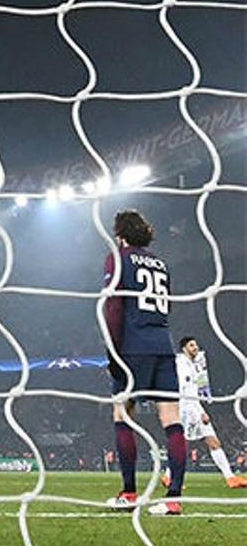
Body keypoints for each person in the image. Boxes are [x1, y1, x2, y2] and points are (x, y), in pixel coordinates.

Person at [101, 210, 185, 515]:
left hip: (132, 346)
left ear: (120, 234)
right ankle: (174, 498)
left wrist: (113, 350)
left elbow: (113, 307)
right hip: (163, 345)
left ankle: (129, 493)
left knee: (123, 415)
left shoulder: (117, 257)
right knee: (172, 420)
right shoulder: (160, 264)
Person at [173, 336, 246, 488]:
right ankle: (170, 477)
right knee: (189, 444)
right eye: (192, 345)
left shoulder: (195, 364)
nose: (196, 348)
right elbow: (186, 392)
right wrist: (199, 413)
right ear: (184, 348)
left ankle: (230, 478)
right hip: (187, 408)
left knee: (207, 442)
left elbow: (196, 389)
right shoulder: (182, 366)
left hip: (193, 406)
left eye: (196, 344)